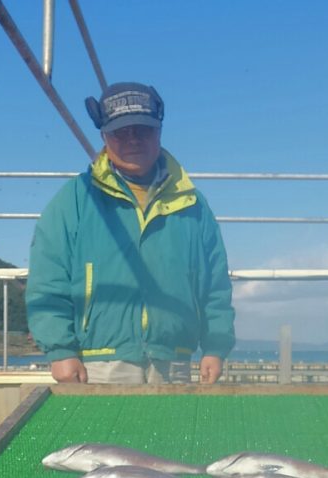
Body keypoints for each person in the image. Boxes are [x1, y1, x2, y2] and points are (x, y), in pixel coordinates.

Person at [26, 81, 235, 384]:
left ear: (159, 132)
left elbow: (214, 284)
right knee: (99, 435)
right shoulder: (74, 199)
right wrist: (60, 350)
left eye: (143, 129)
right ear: (104, 137)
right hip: (95, 364)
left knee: (172, 434)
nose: (133, 139)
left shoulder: (193, 203)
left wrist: (215, 346)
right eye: (121, 132)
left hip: (174, 362)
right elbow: (48, 280)